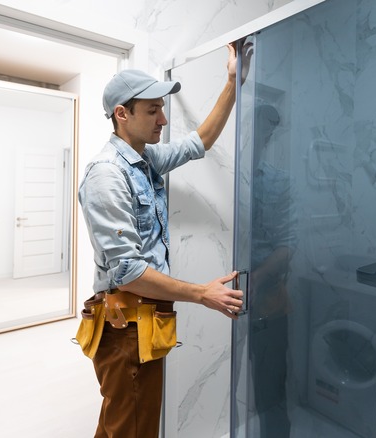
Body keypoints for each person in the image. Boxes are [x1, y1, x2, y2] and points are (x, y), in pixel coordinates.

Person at [78, 42, 250, 437]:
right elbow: (128, 271)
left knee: (120, 425)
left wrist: (231, 82)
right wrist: (202, 293)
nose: (163, 119)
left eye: (162, 108)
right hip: (126, 327)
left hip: (144, 320)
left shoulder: (145, 159)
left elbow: (198, 143)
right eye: (153, 110)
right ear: (122, 114)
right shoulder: (108, 175)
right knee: (133, 429)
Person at [247, 104, 296, 437]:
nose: (262, 136)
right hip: (224, 302)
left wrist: (258, 279)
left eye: (269, 130)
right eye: (258, 128)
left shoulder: (278, 182)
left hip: (268, 305)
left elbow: (288, 245)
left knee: (271, 394)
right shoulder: (228, 178)